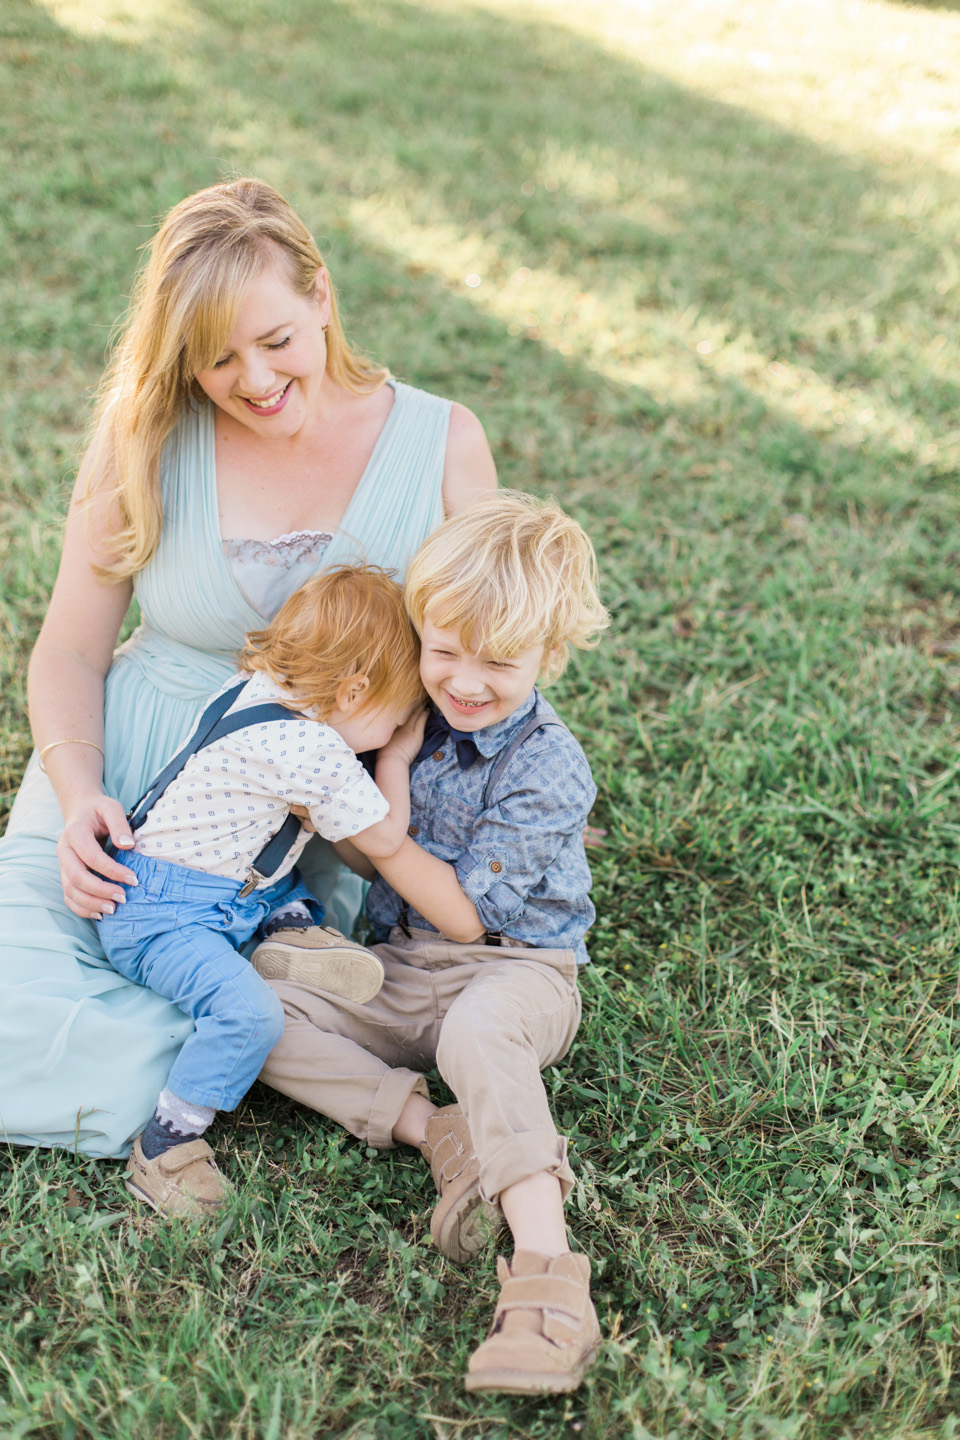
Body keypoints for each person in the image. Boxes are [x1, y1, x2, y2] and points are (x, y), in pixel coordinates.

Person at [0, 177, 495, 1160]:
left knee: (247, 1000)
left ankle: (253, 1024)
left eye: (274, 341)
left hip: (315, 817)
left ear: (320, 294)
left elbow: (488, 655)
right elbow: (68, 649)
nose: (256, 380)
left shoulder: (443, 441)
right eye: (217, 359)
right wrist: (80, 789)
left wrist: (421, 796)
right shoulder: (143, 432)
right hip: (140, 765)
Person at [259, 492, 610, 1395]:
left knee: (478, 1037)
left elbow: (462, 914)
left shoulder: (549, 766)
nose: (463, 681)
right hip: (405, 965)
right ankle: (435, 1131)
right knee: (259, 1009)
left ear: (550, 655)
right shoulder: (413, 718)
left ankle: (546, 1274)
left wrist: (382, 814)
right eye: (444, 651)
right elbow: (364, 856)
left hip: (516, 969)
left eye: (500, 662)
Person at [98, 564, 423, 1217]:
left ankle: (287, 931)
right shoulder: (316, 752)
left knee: (284, 878)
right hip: (165, 918)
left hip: (198, 884)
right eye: (394, 718)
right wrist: (396, 760)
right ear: (356, 693)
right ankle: (168, 1142)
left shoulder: (253, 689)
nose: (389, 734)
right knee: (251, 1015)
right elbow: (385, 839)